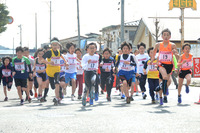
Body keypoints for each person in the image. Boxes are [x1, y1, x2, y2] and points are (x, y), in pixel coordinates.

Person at [151, 28, 178, 105]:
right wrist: (152, 60)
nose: (166, 36)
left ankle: (161, 89)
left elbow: (176, 54)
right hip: (161, 64)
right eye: (164, 35)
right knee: (164, 78)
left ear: (170, 36)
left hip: (169, 65)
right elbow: (154, 52)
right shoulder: (158, 44)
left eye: (167, 35)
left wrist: (175, 52)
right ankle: (161, 97)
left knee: (168, 81)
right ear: (162, 36)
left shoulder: (172, 45)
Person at [42, 37, 68, 105]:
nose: (55, 46)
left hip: (57, 70)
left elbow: (61, 56)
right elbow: (42, 60)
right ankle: (59, 93)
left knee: (57, 83)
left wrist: (65, 62)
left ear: (58, 45)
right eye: (53, 45)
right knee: (53, 87)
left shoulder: (59, 52)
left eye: (56, 45)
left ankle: (57, 98)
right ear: (51, 45)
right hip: (50, 71)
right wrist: (48, 62)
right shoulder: (49, 52)